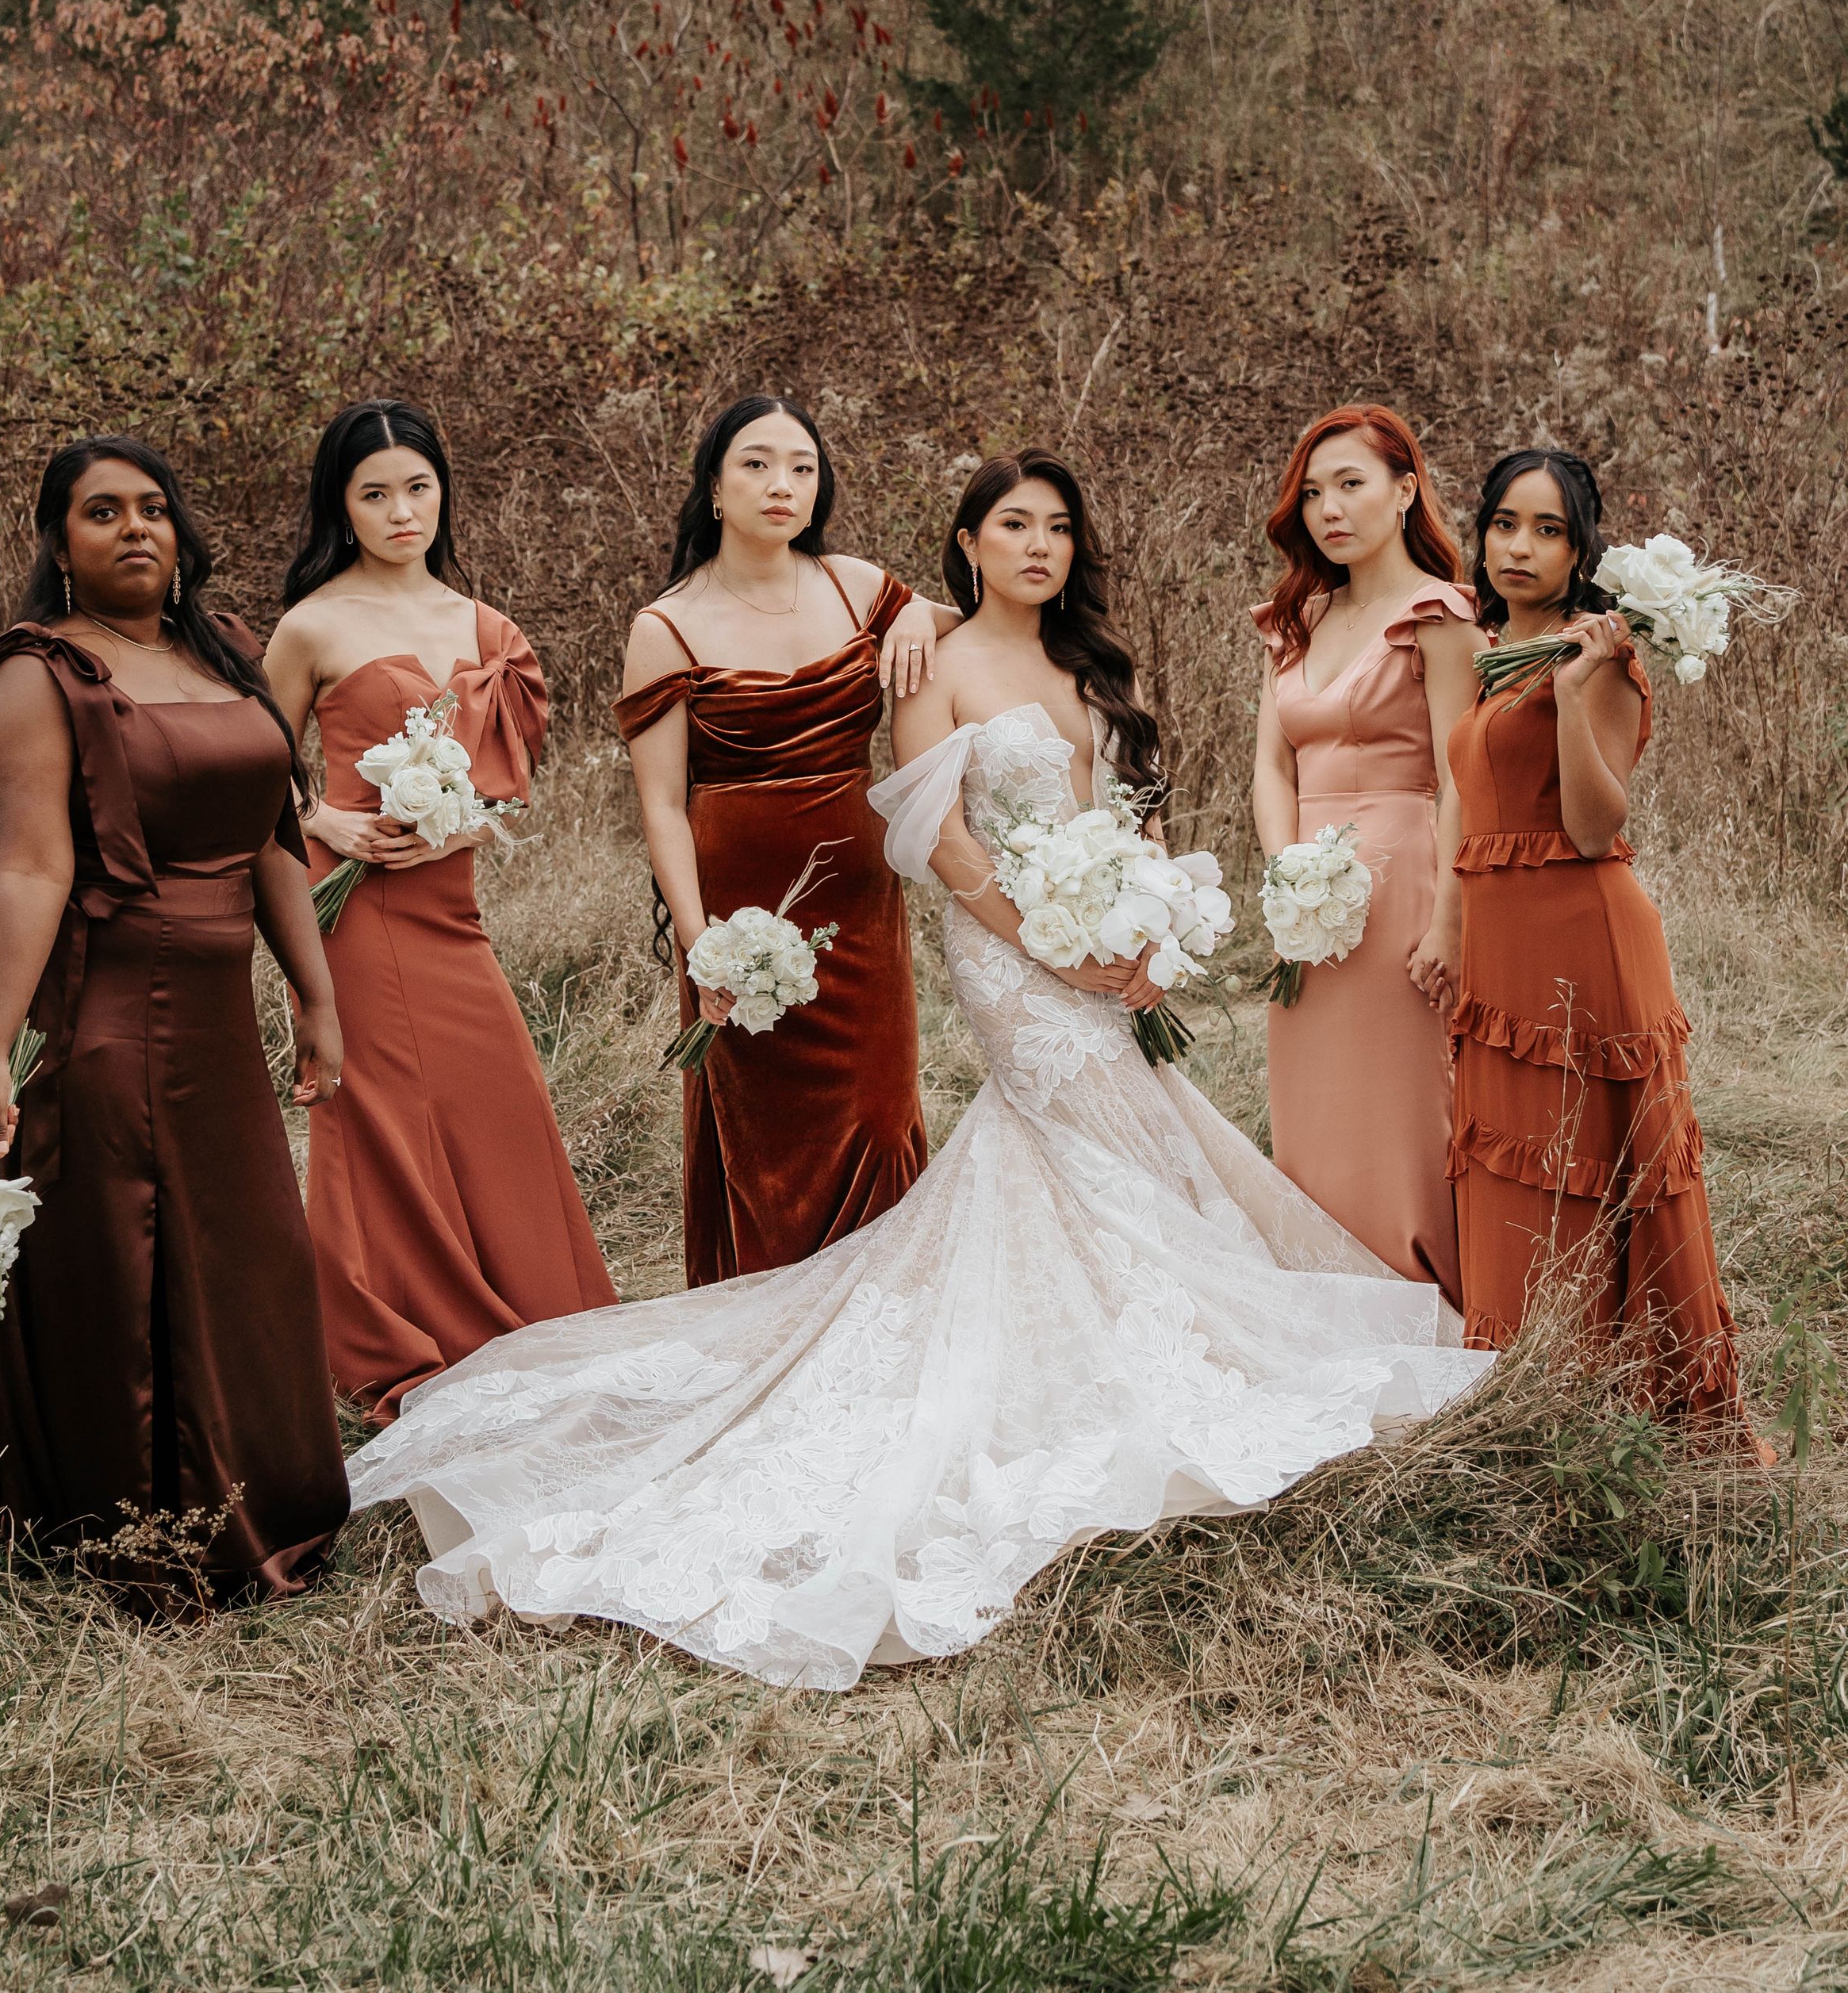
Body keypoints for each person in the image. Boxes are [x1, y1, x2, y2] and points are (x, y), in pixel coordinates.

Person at [345, 448, 1489, 1693]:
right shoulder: (930, 662)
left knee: (1137, 1138)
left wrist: (1150, 924)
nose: (1038, 547)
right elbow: (935, 839)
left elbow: (1143, 802)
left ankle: (1142, 1334)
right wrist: (1055, 940)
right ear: (967, 542)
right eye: (1012, 525)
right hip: (1010, 952)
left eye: (1058, 526)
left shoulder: (1097, 662)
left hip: (1112, 943)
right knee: (1093, 1129)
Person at [0, 436, 348, 1602]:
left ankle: (266, 1497)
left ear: (181, 532)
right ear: (58, 542)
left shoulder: (220, 650)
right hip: (118, 1010)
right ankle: (142, 1528)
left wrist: (316, 995)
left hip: (223, 1018)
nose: (135, 527)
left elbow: (269, 837)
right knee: (137, 1261)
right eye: (101, 511)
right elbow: (29, 869)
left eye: (154, 508)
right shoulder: (38, 672)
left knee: (248, 1253)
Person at [264, 399, 615, 1420]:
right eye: (374, 493)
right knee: (374, 1115)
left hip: (450, 911)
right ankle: (395, 1329)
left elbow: (507, 785)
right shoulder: (312, 624)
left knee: (497, 1098)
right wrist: (326, 816)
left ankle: (535, 1311)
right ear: (343, 505)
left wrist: (461, 826)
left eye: (417, 487)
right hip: (355, 911)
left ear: (442, 492)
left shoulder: (485, 628)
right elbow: (248, 767)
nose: (400, 510)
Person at [1424, 449, 1758, 1435]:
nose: (1519, 547)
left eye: (1549, 530)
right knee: (1520, 1167)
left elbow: (1592, 828)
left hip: (1581, 938)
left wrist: (1574, 697)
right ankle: (1528, 1397)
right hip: (1503, 942)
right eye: (1503, 525)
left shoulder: (1598, 658)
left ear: (1582, 552)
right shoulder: (1496, 648)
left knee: (1595, 1174)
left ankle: (1617, 1410)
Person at [617, 394, 950, 1286]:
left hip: (858, 903)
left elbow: (980, 626)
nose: (782, 484)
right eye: (757, 464)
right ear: (714, 489)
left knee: (879, 1117)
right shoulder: (665, 627)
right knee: (764, 1138)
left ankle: (883, 1322)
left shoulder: (857, 586)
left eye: (802, 467)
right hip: (735, 908)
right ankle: (767, 1326)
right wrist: (700, 946)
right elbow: (660, 806)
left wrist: (919, 613)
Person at [1251, 405, 1478, 1309]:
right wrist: (1287, 875)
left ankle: (1421, 1292)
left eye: (1351, 484)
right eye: (1312, 493)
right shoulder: (1294, 617)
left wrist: (1449, 921)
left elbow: (1465, 778)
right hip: (1306, 900)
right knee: (1315, 1101)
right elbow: (1271, 764)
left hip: (1406, 876)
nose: (1328, 510)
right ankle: (1321, 1296)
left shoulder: (1440, 614)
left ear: (1404, 489)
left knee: (1401, 1106)